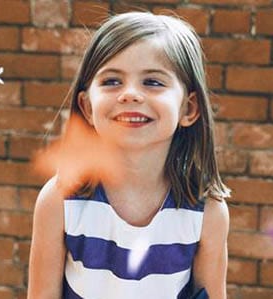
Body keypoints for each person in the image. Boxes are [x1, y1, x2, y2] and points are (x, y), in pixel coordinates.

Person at [27, 11, 231, 299]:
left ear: (189, 108)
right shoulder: (59, 200)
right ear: (86, 107)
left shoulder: (206, 212)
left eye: (153, 82)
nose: (130, 95)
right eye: (112, 81)